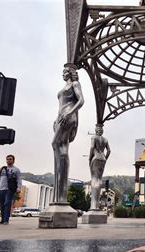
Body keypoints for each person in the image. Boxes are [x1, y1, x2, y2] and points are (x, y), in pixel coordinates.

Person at [52, 63, 84, 203]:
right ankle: (60, 193)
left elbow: (81, 101)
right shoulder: (65, 87)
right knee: (61, 148)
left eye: (65, 71)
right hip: (61, 117)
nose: (63, 73)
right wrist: (56, 118)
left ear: (70, 73)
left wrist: (70, 113)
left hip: (68, 116)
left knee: (56, 144)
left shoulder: (75, 84)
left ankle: (61, 193)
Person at [89, 124, 111, 210]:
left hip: (96, 157)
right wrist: (105, 158)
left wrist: (90, 157)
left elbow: (91, 148)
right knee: (99, 179)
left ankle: (93, 205)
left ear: (96, 130)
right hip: (102, 158)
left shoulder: (94, 137)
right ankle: (96, 205)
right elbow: (109, 151)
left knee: (94, 179)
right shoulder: (105, 139)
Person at [0, 154, 22, 225]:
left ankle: (6, 220)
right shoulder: (3, 169)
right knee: (2, 205)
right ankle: (2, 220)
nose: (8, 160)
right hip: (1, 189)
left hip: (10, 189)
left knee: (7, 203)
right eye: (7, 159)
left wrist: (19, 187)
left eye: (10, 159)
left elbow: (19, 179)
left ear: (13, 160)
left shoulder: (16, 170)